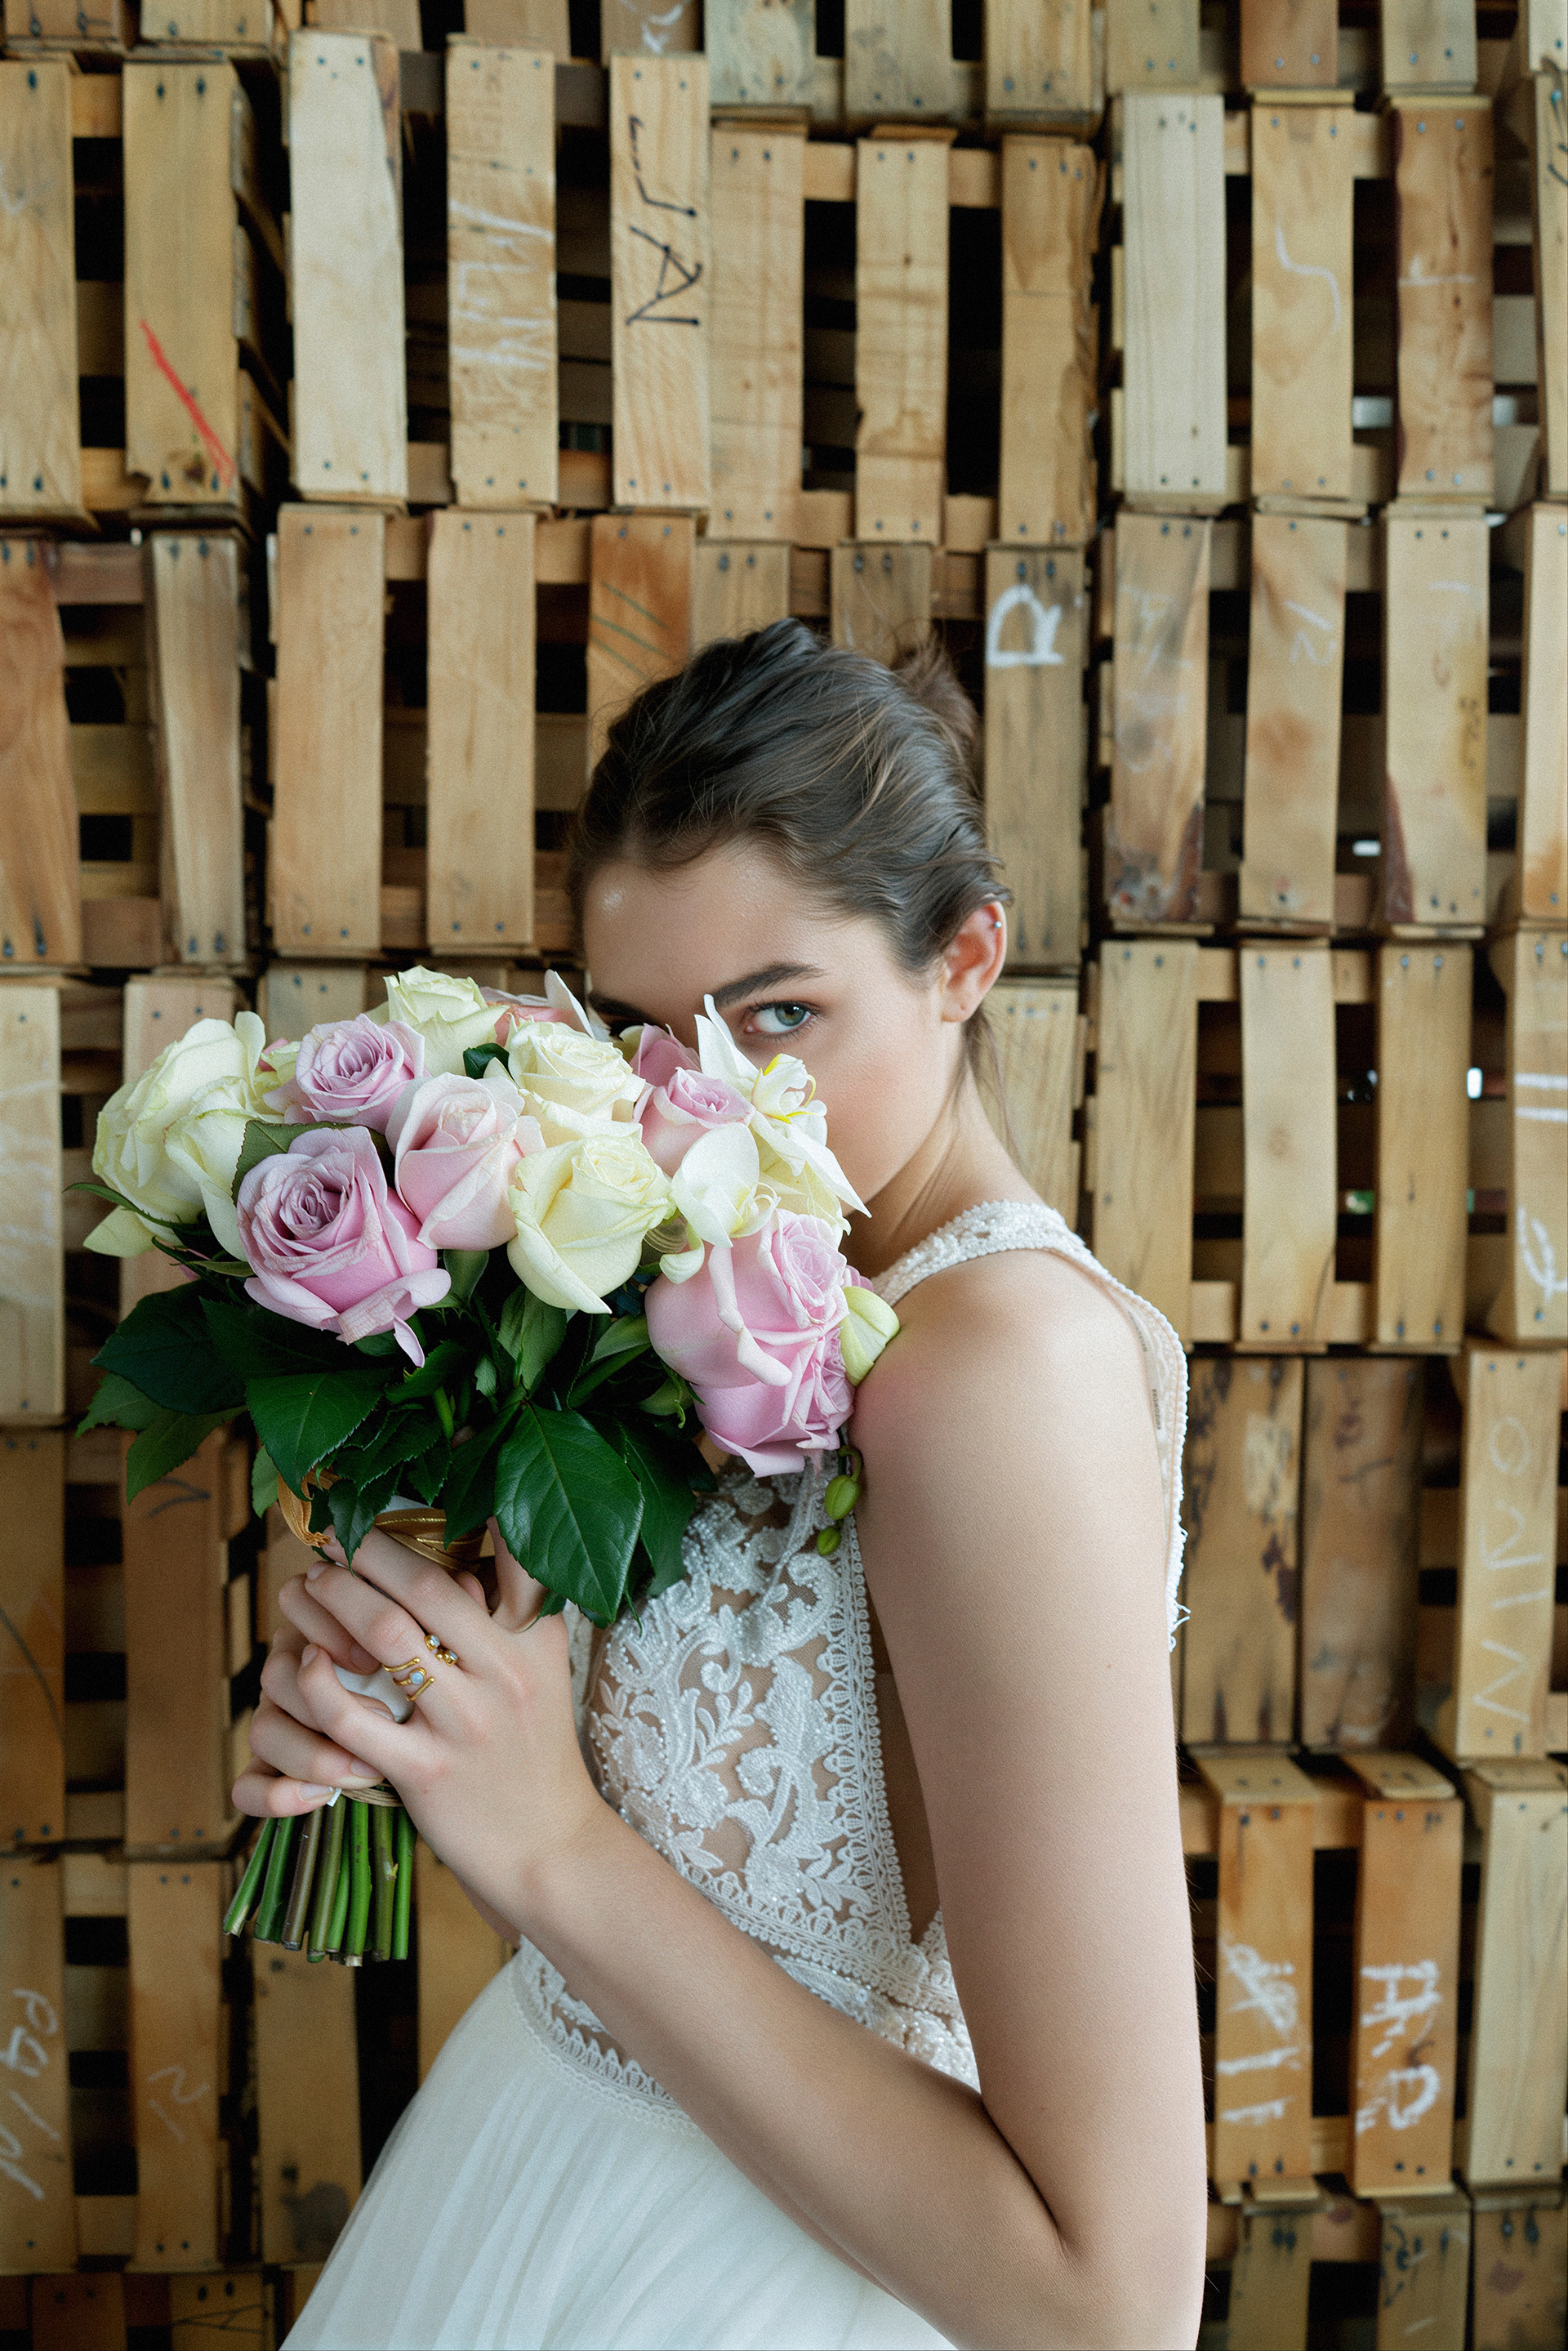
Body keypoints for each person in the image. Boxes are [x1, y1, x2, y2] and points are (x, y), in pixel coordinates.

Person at [238, 621, 1208, 2351]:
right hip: (549, 2171)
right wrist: (429, 1716)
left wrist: (552, 1844)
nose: (704, 1105)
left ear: (966, 958)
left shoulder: (1002, 1375)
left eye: (781, 1016)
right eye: (642, 1031)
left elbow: (1111, 2301)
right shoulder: (715, 1277)